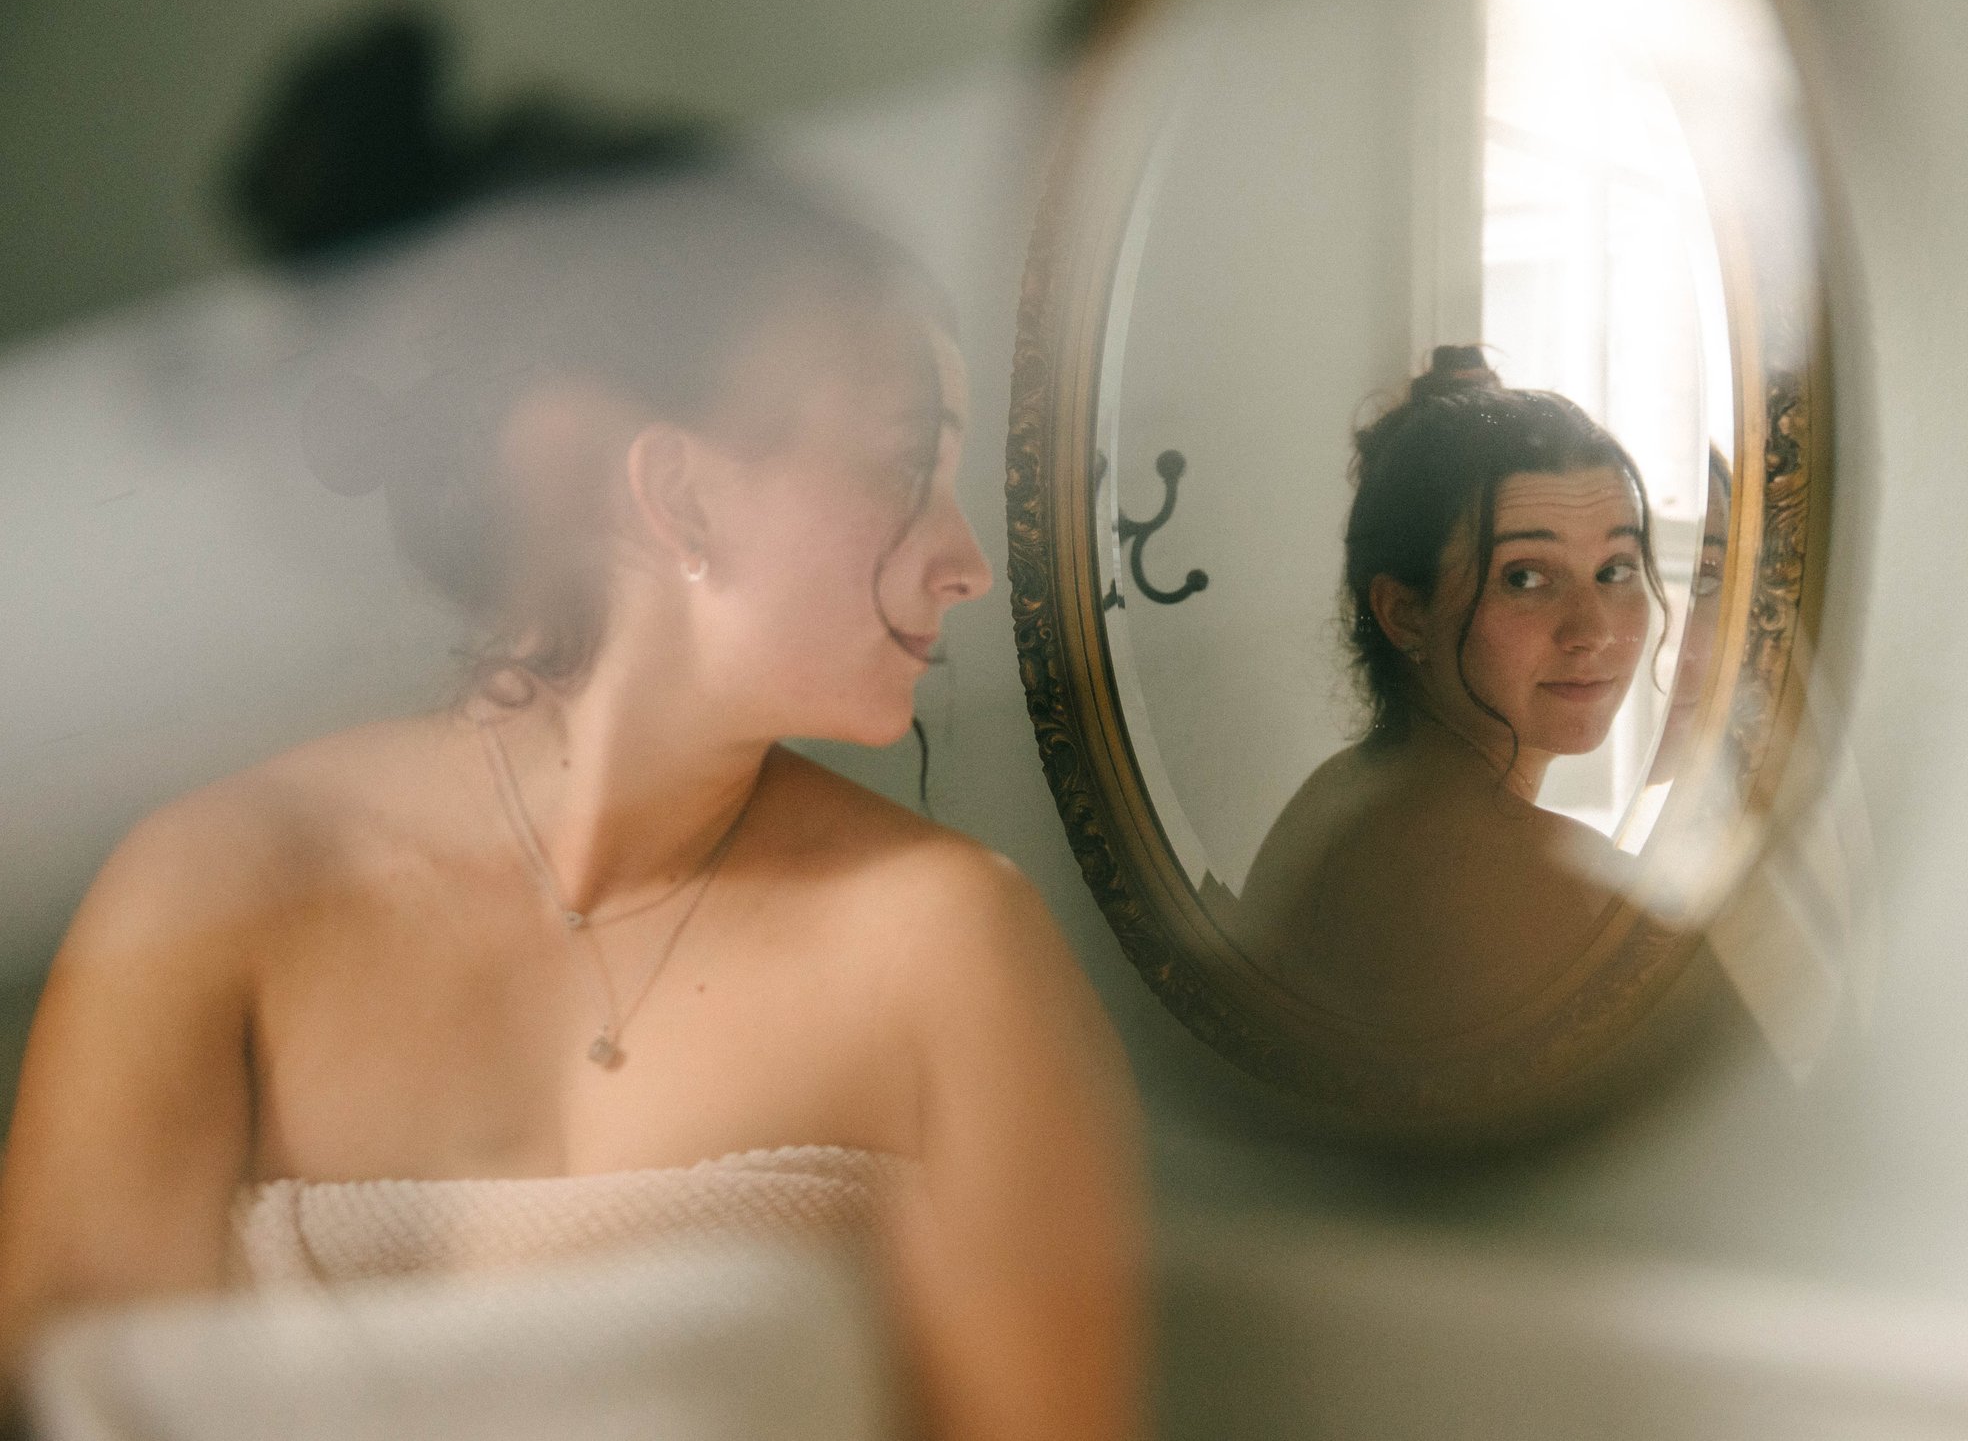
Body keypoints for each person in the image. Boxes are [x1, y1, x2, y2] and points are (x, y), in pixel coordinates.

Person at [0, 165, 1142, 1441]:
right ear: (680, 496)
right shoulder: (215, 898)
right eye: (902, 466)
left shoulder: (944, 945)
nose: (969, 559)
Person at [1237, 345, 1668, 1038]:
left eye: (1615, 568)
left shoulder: (1340, 795)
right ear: (1405, 611)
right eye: (1526, 577)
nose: (1593, 630)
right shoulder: (1561, 888)